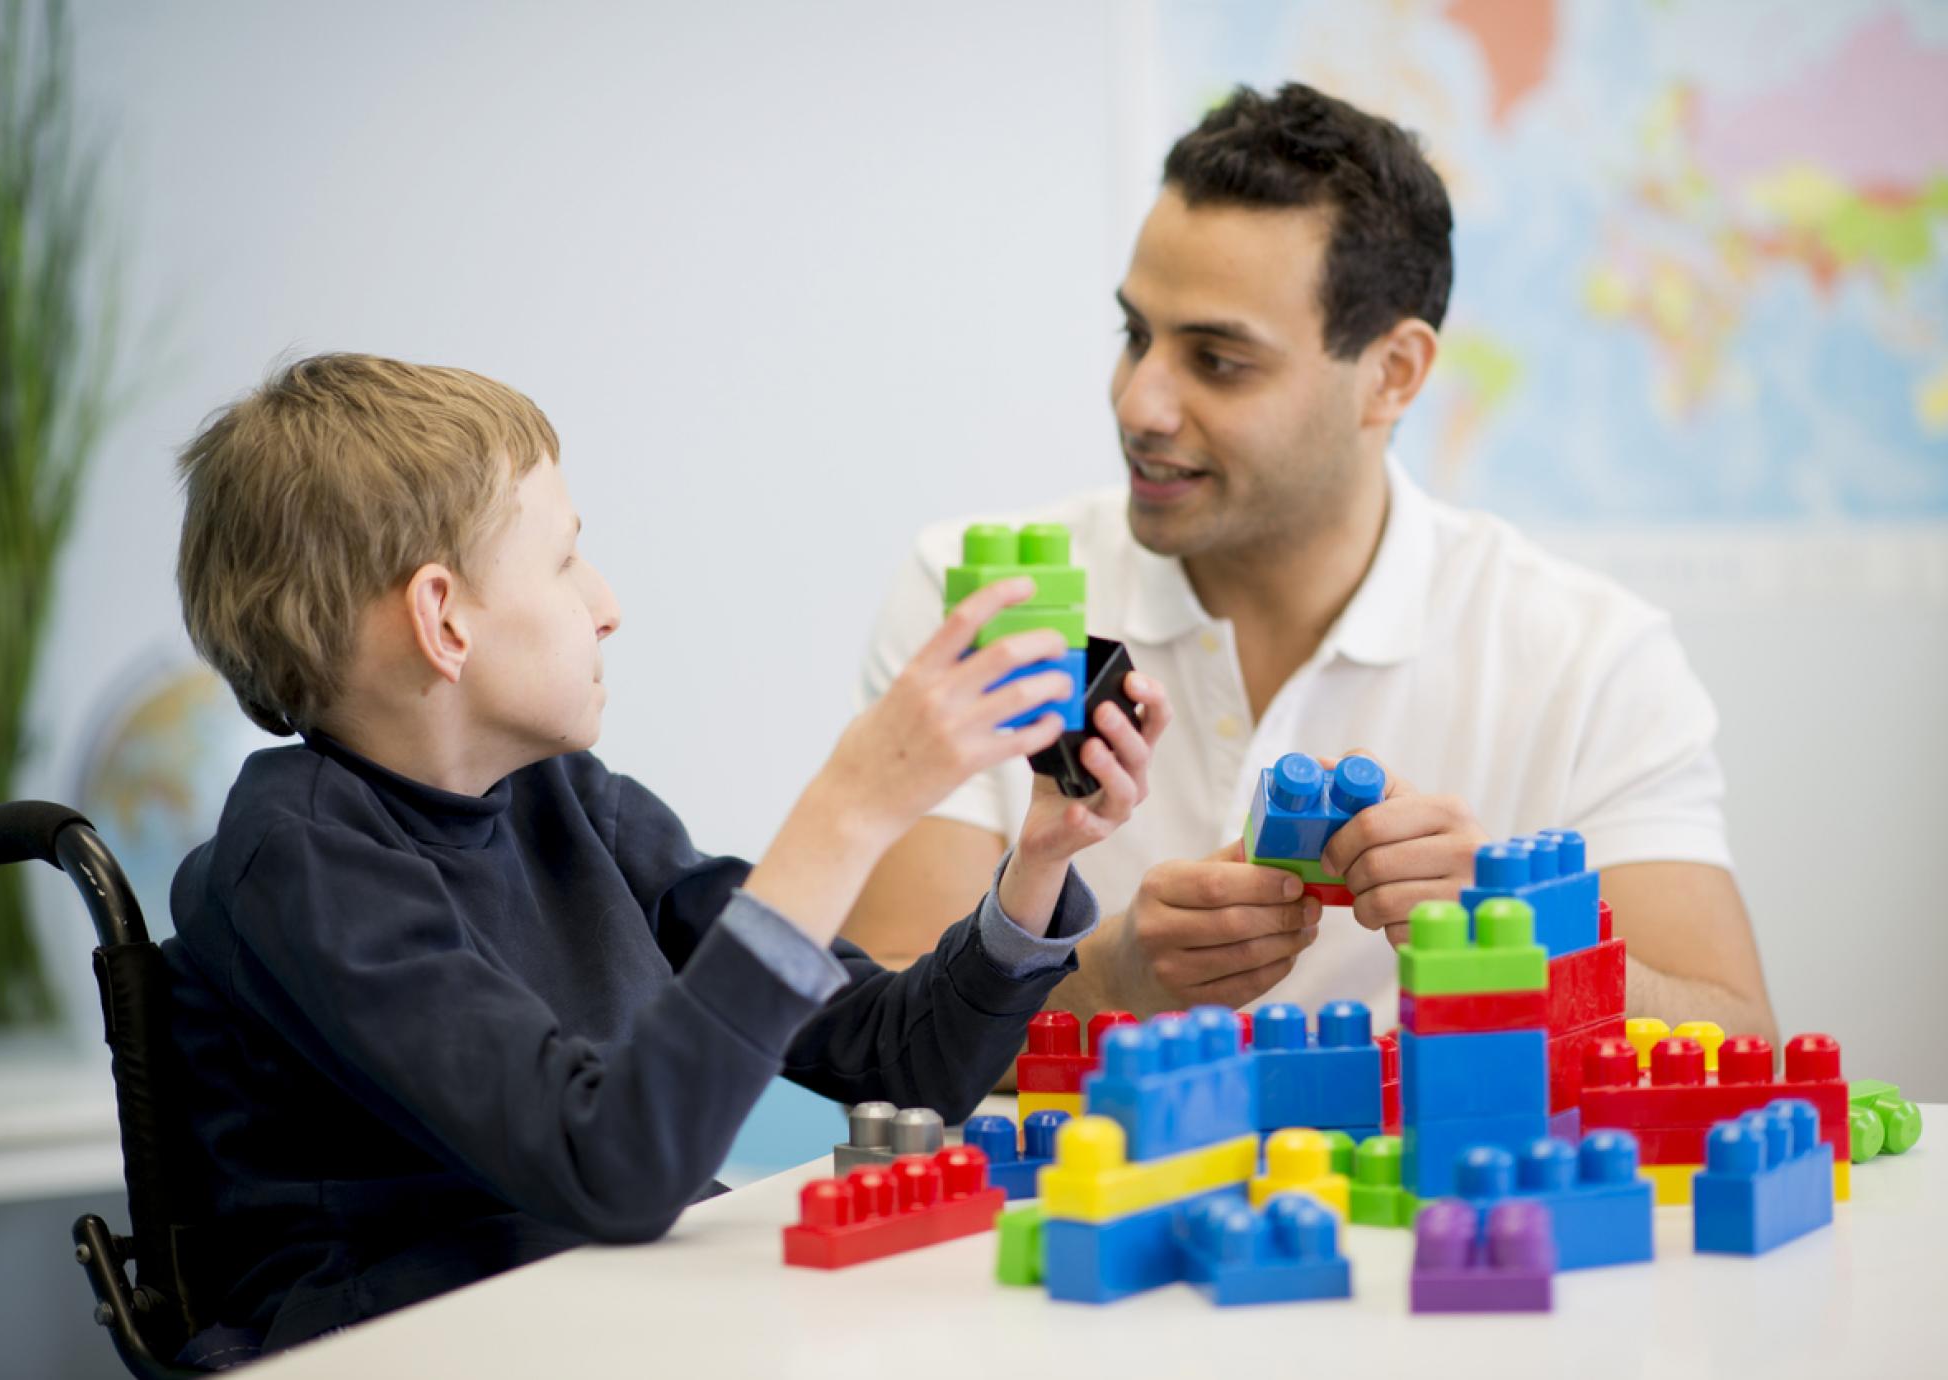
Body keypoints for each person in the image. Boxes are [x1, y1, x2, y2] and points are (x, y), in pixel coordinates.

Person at [159, 353, 1169, 1354]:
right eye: (562, 561)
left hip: (607, 1315)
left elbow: (892, 1072)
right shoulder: (297, 865)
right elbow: (609, 1166)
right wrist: (848, 809)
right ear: (442, 619)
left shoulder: (570, 805)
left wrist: (1036, 867)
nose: (605, 604)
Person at [843, 83, 1775, 1047]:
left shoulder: (1589, 655)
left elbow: (1737, 1034)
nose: (1139, 405)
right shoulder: (979, 595)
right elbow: (881, 1041)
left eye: (1217, 360)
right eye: (1135, 336)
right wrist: (1114, 976)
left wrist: (1519, 937)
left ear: (1394, 374)